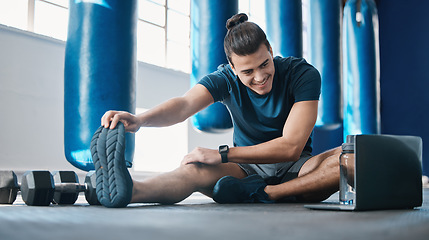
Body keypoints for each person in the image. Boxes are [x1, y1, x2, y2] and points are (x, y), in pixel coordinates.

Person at [95, 13, 341, 207]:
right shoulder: (224, 79)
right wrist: (140, 120)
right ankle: (132, 190)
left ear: (271, 51)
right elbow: (183, 105)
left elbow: (290, 147)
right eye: (247, 72)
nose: (260, 76)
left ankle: (267, 193)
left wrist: (223, 154)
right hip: (246, 170)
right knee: (194, 171)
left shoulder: (302, 74)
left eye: (264, 64)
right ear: (232, 68)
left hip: (297, 168)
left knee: (348, 158)